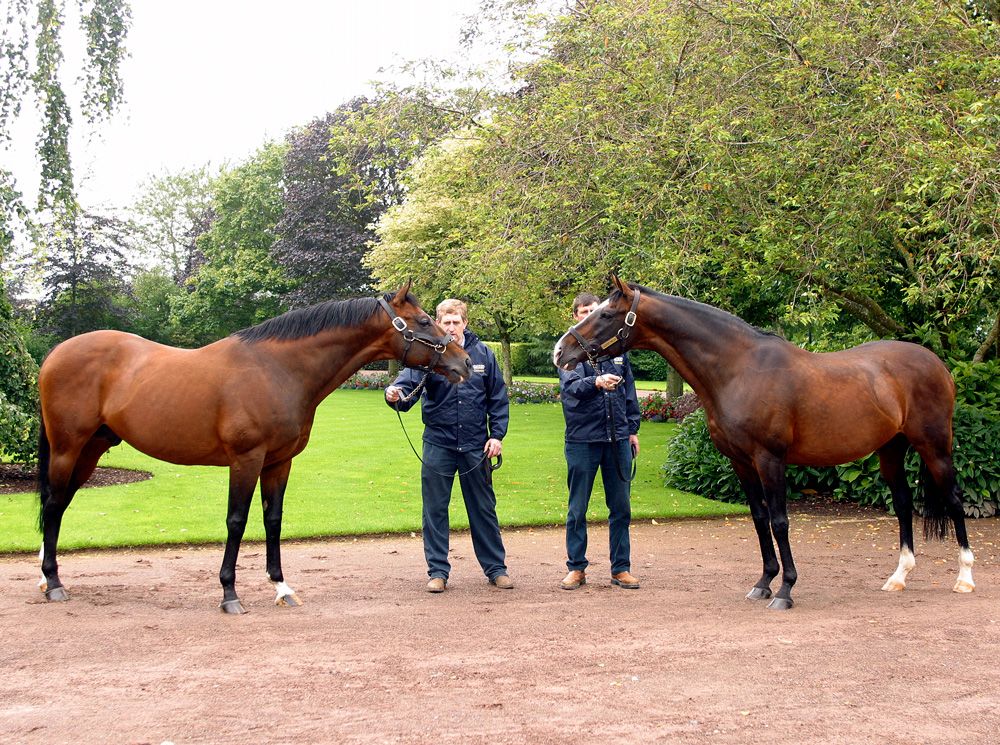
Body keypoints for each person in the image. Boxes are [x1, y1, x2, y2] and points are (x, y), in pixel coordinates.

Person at [385, 298, 513, 593]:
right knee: (435, 510)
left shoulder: (483, 355)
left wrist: (497, 436)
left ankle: (496, 569)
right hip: (438, 444)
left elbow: (497, 400)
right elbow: (406, 387)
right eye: (446, 322)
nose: (452, 327)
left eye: (457, 322)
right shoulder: (427, 354)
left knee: (483, 509)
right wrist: (395, 394)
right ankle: (438, 571)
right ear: (439, 323)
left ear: (465, 323)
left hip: (475, 446)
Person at [558, 292, 641, 590]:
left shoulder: (616, 349)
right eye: (582, 311)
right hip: (582, 440)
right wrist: (595, 382)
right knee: (577, 509)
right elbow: (570, 391)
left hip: (617, 438)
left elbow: (630, 393)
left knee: (621, 507)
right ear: (576, 316)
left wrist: (632, 430)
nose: (587, 315)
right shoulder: (568, 351)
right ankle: (576, 568)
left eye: (592, 310)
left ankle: (621, 568)